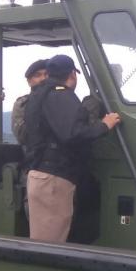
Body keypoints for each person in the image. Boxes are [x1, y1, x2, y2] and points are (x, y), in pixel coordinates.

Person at [23, 54, 121, 243]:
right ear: (72, 75)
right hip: (53, 178)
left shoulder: (40, 94)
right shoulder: (60, 95)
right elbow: (72, 133)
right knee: (49, 245)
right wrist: (104, 125)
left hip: (45, 174)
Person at [12, 59, 48, 144]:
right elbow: (22, 136)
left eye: (47, 74)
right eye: (38, 75)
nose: (43, 78)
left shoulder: (61, 99)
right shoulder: (22, 104)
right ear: (29, 81)